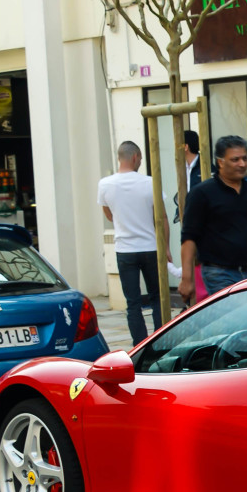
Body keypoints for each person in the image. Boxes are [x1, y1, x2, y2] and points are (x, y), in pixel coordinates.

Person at [179, 135, 247, 301]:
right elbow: (189, 238)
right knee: (232, 318)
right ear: (220, 162)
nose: (242, 164)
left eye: (245, 159)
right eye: (235, 159)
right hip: (218, 272)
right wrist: (187, 278)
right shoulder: (202, 193)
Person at [99, 140, 168, 346]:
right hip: (150, 248)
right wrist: (165, 247)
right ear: (136, 157)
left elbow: (109, 214)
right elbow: (162, 217)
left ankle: (140, 344)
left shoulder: (105, 184)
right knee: (157, 298)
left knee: (133, 303)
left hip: (125, 250)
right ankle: (161, 339)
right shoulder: (149, 182)